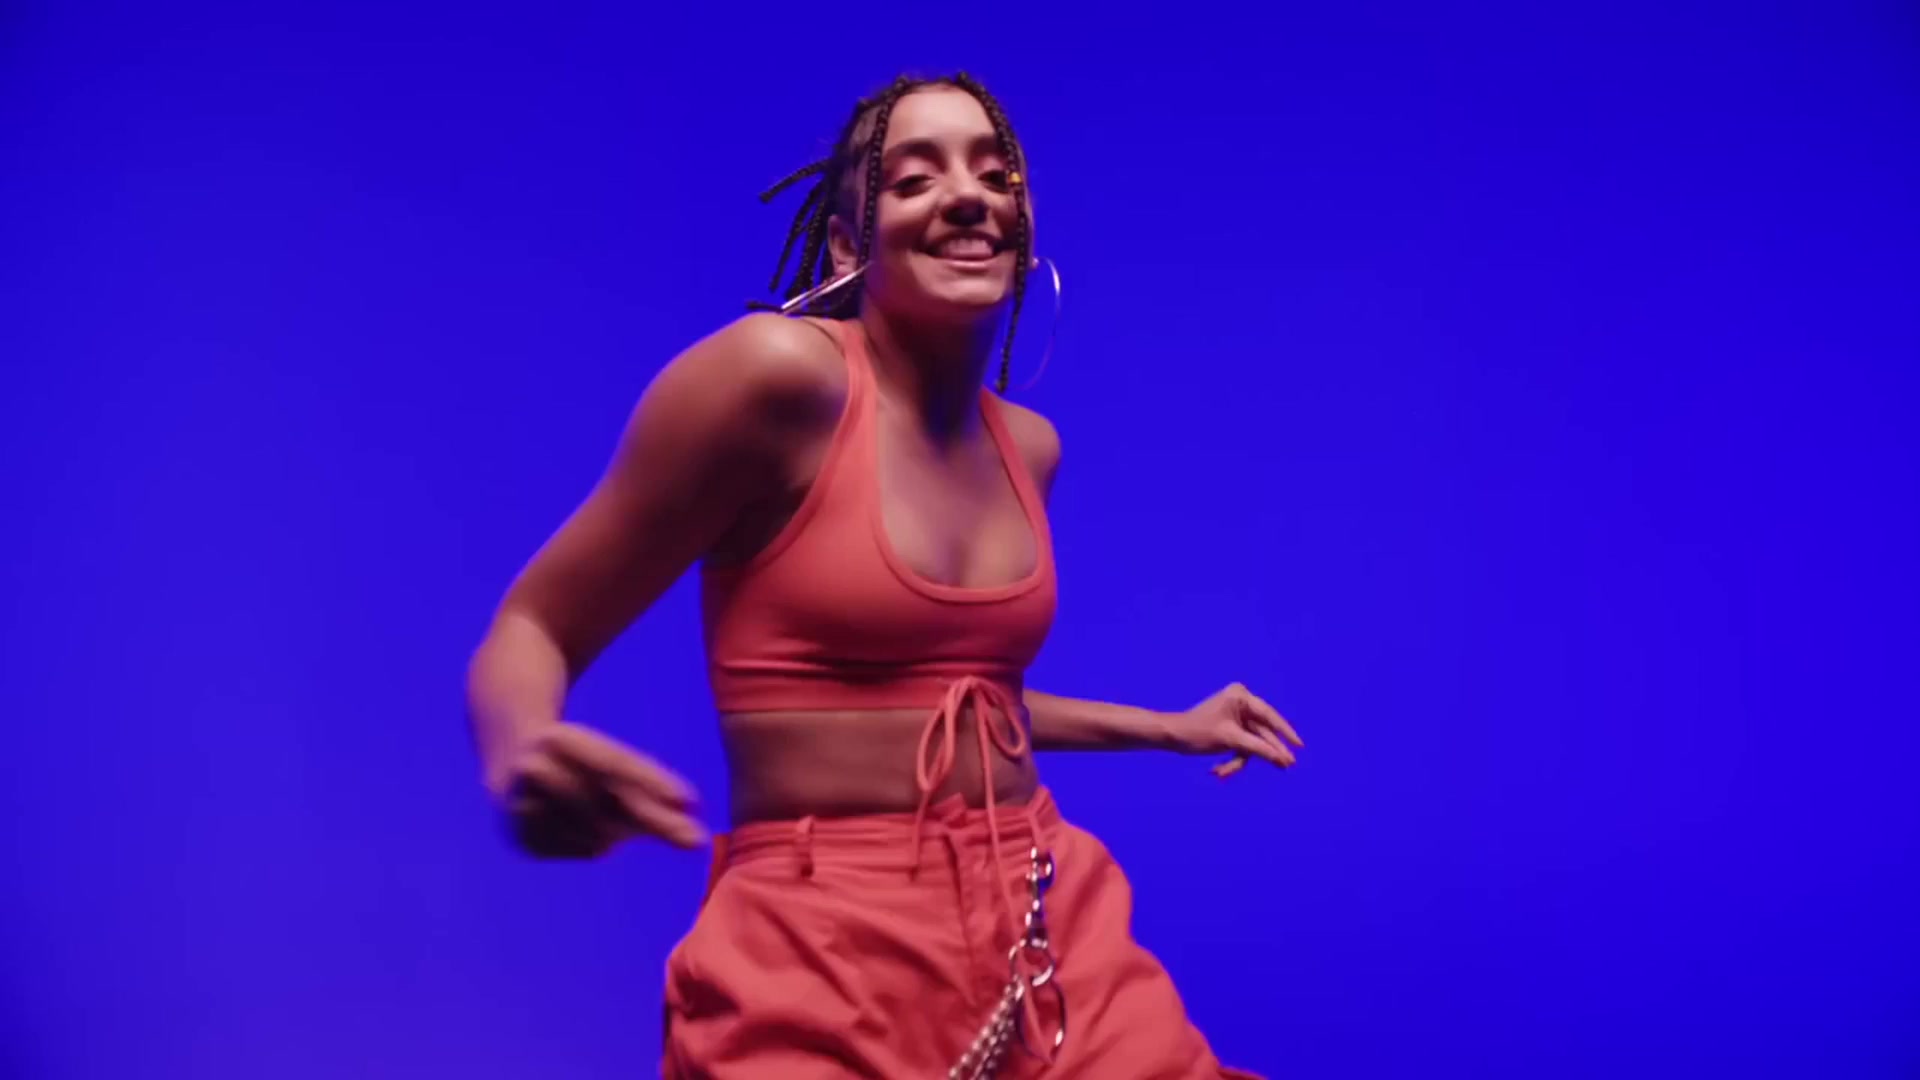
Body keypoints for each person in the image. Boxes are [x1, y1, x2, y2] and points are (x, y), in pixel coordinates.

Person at [464, 70, 1304, 1079]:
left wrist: (1169, 728)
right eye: (915, 179)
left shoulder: (1029, 447)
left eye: (996, 174)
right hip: (819, 947)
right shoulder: (773, 381)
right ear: (847, 245)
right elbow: (535, 626)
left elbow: (960, 705)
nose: (968, 196)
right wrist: (522, 747)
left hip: (1039, 915)